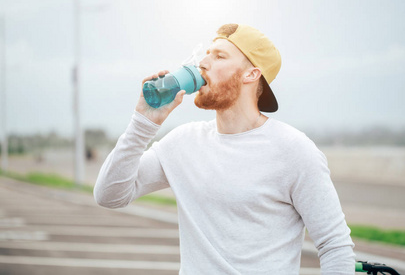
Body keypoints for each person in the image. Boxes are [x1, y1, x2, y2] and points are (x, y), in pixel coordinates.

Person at [94, 24, 355, 274]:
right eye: (206, 54)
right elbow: (109, 195)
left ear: (251, 74)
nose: (203, 63)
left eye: (219, 56)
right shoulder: (183, 143)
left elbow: (335, 247)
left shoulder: (294, 150)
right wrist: (143, 123)